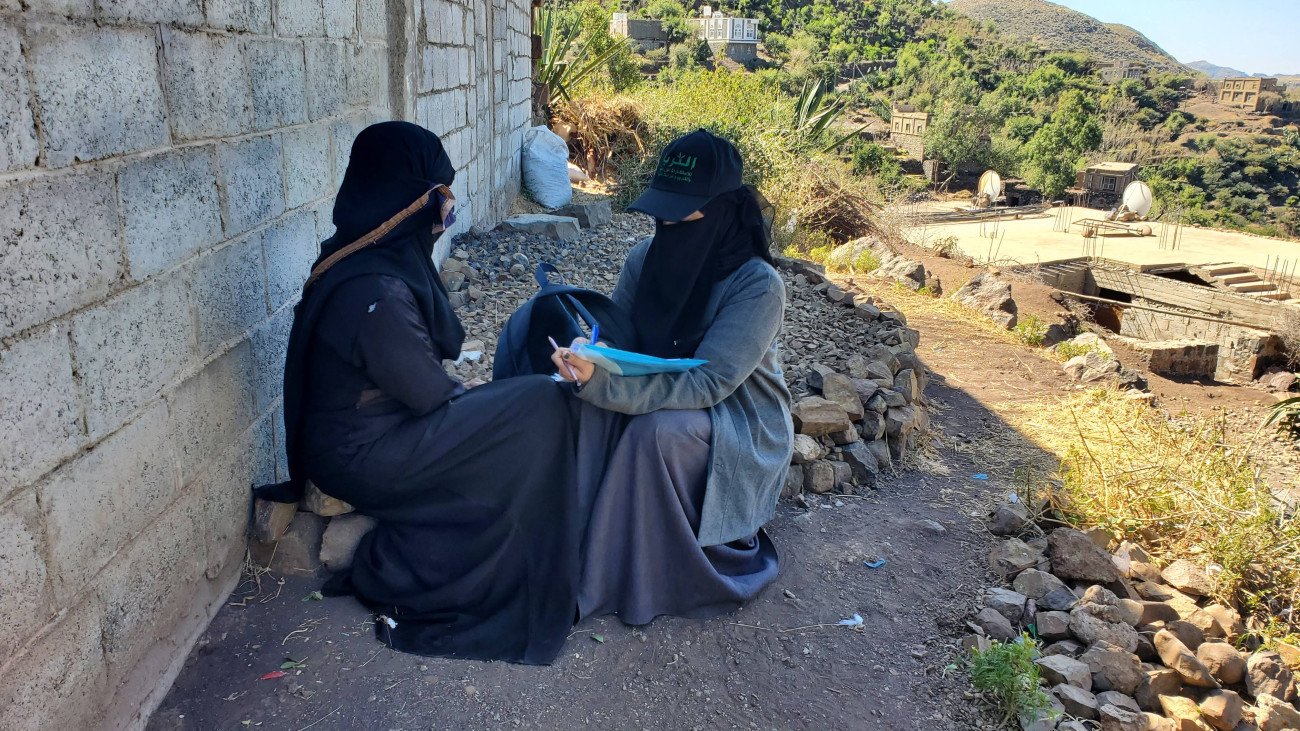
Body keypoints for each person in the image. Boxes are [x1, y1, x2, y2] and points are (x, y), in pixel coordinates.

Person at [267, 121, 587, 665]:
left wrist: (472, 400)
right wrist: (477, 402)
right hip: (360, 454)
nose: (448, 207)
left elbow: (419, 382)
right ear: (411, 198)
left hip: (365, 435)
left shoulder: (361, 260)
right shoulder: (374, 289)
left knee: (519, 404)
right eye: (442, 194)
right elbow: (425, 392)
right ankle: (449, 568)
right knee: (541, 402)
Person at [552, 129, 794, 624]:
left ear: (724, 212)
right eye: (662, 213)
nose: (668, 225)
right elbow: (618, 337)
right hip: (659, 388)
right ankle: (574, 546)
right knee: (578, 404)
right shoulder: (645, 257)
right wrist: (590, 356)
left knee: (657, 432)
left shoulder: (757, 285)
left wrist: (605, 384)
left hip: (739, 418)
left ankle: (627, 575)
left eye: (684, 216)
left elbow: (710, 384)